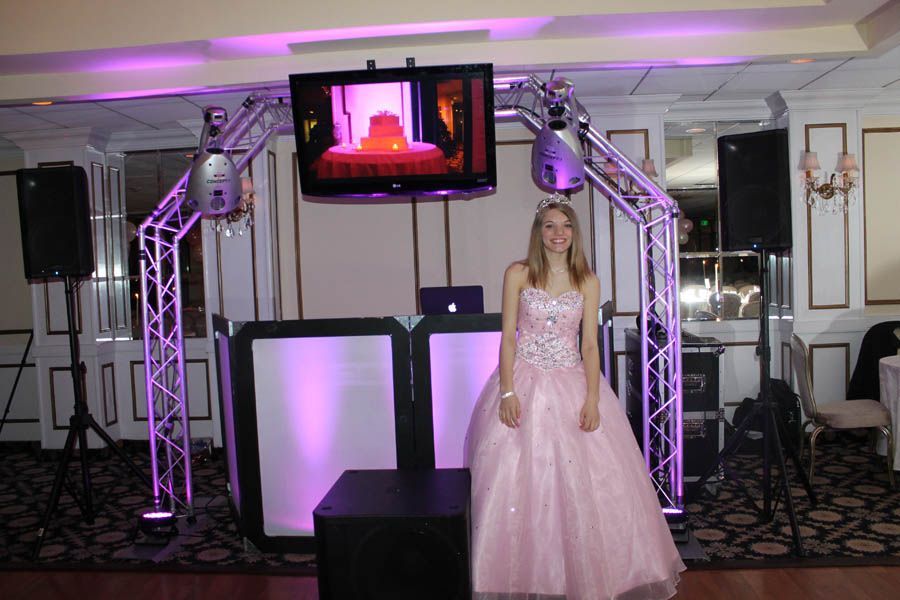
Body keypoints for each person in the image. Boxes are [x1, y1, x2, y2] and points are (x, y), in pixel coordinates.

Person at [464, 196, 685, 599]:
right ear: (538, 232)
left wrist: (593, 398)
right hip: (525, 381)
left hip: (572, 381)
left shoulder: (587, 281)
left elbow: (589, 346)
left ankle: (586, 576)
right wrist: (508, 390)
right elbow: (508, 338)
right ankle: (524, 577)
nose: (558, 233)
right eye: (549, 225)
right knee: (519, 484)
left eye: (565, 225)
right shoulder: (517, 274)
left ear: (574, 232)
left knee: (589, 486)